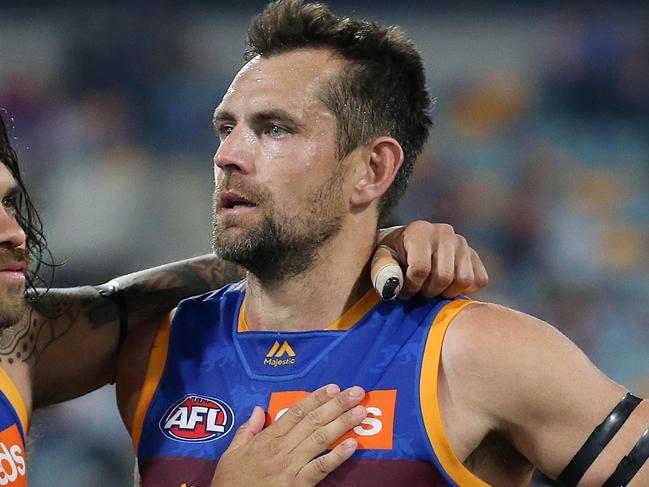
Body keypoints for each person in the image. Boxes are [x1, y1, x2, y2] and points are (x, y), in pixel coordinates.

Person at [115, 1, 649, 486]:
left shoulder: (479, 355)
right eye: (225, 127)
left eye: (274, 129)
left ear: (372, 170)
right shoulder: (162, 349)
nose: (227, 154)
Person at [0, 107, 487, 484]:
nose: (13, 232)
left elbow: (138, 297)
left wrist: (352, 239)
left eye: (7, 202)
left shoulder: (20, 346)